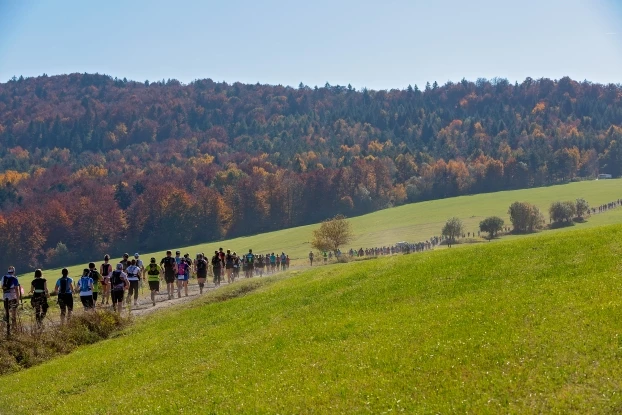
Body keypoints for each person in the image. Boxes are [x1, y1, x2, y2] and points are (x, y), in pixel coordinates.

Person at [2, 266, 20, 334]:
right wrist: (18, 300)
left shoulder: (3, 277)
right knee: (13, 314)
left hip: (5, 297)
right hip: (13, 297)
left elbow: (2, 287)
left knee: (6, 313)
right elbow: (16, 289)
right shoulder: (14, 278)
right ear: (14, 271)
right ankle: (14, 328)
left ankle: (4, 328)